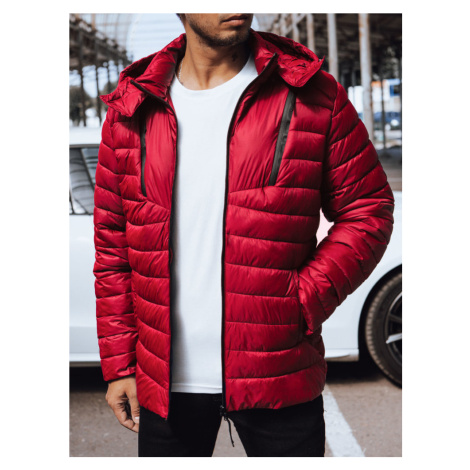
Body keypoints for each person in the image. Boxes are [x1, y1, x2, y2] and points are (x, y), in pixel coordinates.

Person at [93, 13, 395, 457]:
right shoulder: (132, 106)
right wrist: (120, 363)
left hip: (279, 371)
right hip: (163, 380)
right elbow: (113, 247)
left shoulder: (311, 93)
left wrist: (300, 300)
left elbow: (368, 209)